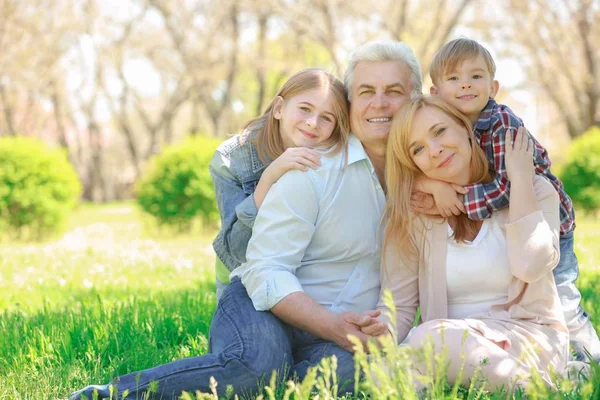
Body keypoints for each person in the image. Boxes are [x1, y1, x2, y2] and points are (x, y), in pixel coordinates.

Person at [70, 40, 423, 399]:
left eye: (393, 92)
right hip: (262, 303)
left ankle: (269, 383)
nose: (379, 103)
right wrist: (330, 326)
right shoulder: (310, 167)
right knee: (256, 366)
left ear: (417, 99)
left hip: (342, 325)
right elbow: (264, 270)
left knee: (361, 368)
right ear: (351, 103)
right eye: (366, 91)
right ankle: (109, 395)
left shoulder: (429, 177)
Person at [414, 37, 600, 362]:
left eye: (476, 77)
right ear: (435, 92)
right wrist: (429, 182)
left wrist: (460, 201)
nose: (466, 86)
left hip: (546, 220)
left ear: (493, 86)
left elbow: (507, 188)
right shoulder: (452, 128)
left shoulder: (501, 124)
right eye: (454, 79)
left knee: (564, 300)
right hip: (513, 221)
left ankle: (590, 359)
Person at [374, 95, 568, 389]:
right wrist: (376, 346)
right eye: (419, 149)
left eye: (439, 131)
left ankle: (533, 391)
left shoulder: (536, 190)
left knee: (428, 339)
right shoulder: (414, 215)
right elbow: (399, 307)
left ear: (465, 128)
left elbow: (530, 265)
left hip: (529, 338)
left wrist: (520, 180)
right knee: (387, 370)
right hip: (451, 345)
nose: (435, 150)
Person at [210, 68, 348, 301]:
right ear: (279, 108)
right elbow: (236, 250)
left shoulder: (337, 158)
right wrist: (269, 177)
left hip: (303, 279)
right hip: (240, 280)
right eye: (304, 109)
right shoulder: (231, 159)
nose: (313, 123)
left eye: (326, 117)